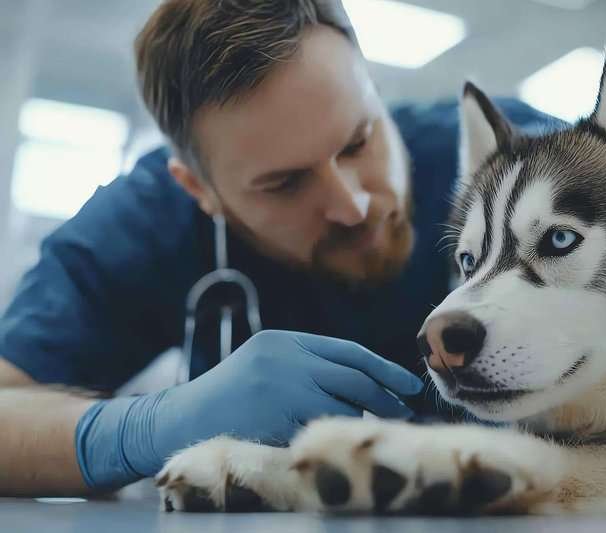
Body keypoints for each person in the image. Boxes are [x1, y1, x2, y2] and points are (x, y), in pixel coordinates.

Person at [0, 0, 561, 496]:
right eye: (286, 183)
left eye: (358, 141)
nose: (354, 205)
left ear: (372, 89)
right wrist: (143, 430)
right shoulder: (144, 225)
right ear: (201, 190)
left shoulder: (510, 163)